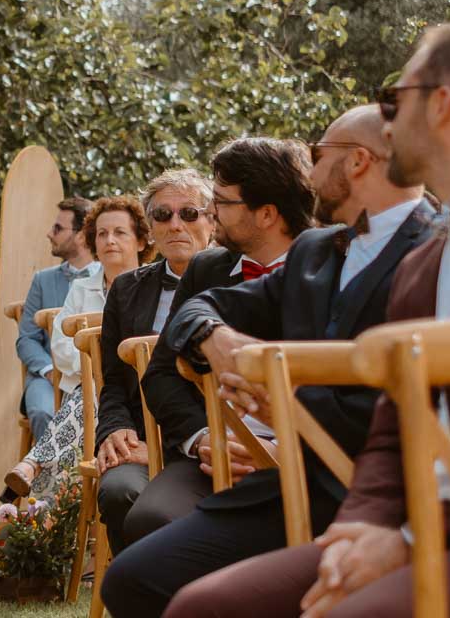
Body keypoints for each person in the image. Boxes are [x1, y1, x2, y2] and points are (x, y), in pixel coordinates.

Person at [165, 18, 450, 617]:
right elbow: (396, 429)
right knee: (198, 606)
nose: (388, 119)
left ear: (442, 104)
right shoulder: (434, 260)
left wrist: (406, 540)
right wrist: (360, 529)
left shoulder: (419, 253)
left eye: (398, 100)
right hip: (387, 513)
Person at [103, 105, 433, 615]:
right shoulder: (318, 252)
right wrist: (215, 337)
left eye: (319, 154)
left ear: (360, 162)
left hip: (372, 484)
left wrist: (278, 409)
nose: (309, 167)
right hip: (280, 479)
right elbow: (196, 310)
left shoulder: (436, 247)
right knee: (130, 578)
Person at [134, 135, 315, 544]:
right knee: (149, 520)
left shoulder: (331, 267)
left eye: (222, 202)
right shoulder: (206, 269)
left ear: (267, 214)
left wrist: (284, 447)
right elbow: (160, 375)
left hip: (304, 457)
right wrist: (204, 440)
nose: (211, 212)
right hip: (211, 456)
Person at [95, 169, 216, 552]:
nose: (175, 224)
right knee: (118, 490)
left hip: (212, 439)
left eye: (190, 213)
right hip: (139, 439)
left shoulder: (238, 281)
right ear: (150, 227)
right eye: (162, 215)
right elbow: (113, 381)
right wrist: (114, 429)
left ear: (213, 220)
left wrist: (169, 447)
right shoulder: (126, 290)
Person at [3, 195, 150, 500]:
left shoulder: (153, 287)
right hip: (85, 391)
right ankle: (43, 514)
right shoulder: (81, 288)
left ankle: (36, 478)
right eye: (102, 233)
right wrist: (99, 370)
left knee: (99, 390)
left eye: (120, 232)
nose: (110, 241)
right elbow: (61, 346)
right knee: (95, 390)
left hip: (136, 396)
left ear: (140, 241)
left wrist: (103, 369)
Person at [18, 197, 96, 441]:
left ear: (82, 235)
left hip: (93, 377)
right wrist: (49, 370)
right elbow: (27, 339)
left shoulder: (108, 279)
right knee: (42, 412)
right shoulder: (43, 280)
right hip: (47, 376)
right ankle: (55, 479)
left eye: (58, 228)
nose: (49, 234)